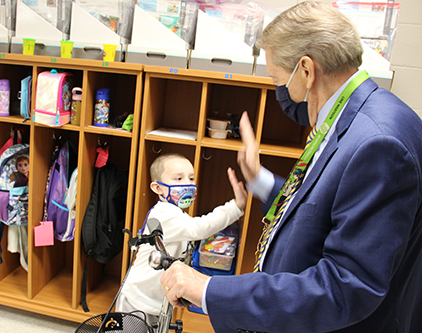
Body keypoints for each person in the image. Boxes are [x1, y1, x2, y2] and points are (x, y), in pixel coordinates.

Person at [160, 2, 422, 332]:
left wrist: (208, 289)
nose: (279, 92)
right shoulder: (352, 119)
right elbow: (323, 207)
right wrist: (261, 181)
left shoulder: (379, 144)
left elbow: (347, 287)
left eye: (277, 79)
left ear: (307, 70)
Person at [116, 153, 247, 325]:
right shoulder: (164, 213)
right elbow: (199, 228)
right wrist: (235, 207)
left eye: (191, 178)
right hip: (137, 300)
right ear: (158, 188)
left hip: (155, 301)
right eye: (178, 178)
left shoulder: (176, 213)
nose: (187, 183)